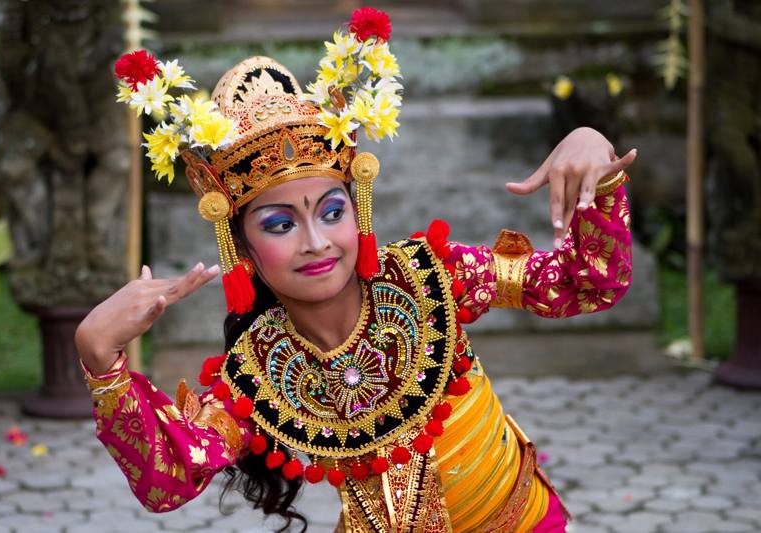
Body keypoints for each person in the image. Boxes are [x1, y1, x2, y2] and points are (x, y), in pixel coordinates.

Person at [75, 8, 635, 533]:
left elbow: (584, 283)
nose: (317, 242)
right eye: (279, 224)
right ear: (240, 247)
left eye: (332, 211)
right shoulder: (258, 376)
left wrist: (593, 154)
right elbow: (168, 480)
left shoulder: (427, 278)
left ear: (357, 209)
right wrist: (99, 355)